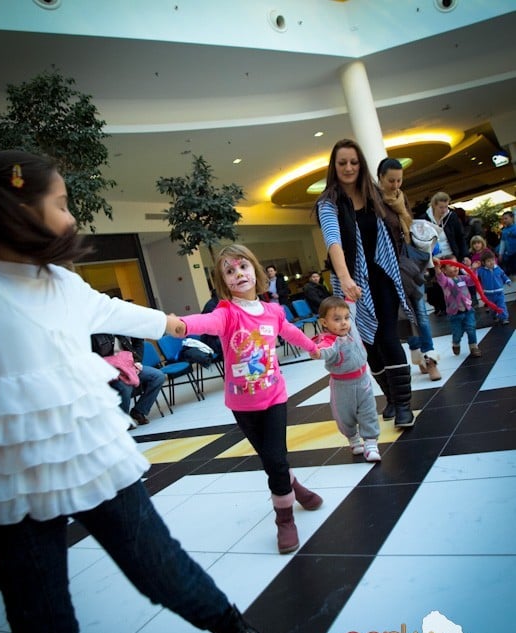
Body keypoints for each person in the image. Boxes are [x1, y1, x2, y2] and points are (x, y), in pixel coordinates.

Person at [0, 150, 270, 633]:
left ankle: (231, 625)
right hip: (17, 479)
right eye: (60, 204)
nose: (70, 217)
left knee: (159, 568)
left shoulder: (60, 282)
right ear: (17, 210)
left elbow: (111, 310)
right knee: (40, 625)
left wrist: (173, 324)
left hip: (93, 456)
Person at [175, 244, 323, 554]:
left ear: (255, 272)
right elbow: (204, 323)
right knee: (273, 459)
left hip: (274, 397)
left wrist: (311, 346)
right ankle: (295, 488)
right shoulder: (226, 314)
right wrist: (179, 324)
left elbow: (289, 333)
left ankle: (284, 520)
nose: (238, 274)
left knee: (274, 458)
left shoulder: (273, 311)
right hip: (242, 405)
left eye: (242, 267)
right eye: (230, 271)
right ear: (224, 281)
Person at [315, 138, 415, 429]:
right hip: (351, 282)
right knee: (368, 345)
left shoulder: (374, 195)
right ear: (334, 166)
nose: (349, 167)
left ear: (361, 165)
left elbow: (399, 225)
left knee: (387, 336)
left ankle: (405, 404)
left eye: (354, 162)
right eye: (342, 162)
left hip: (383, 275)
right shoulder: (328, 202)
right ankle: (392, 398)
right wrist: (346, 280)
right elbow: (333, 240)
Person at [377, 157, 441, 382]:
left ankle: (430, 359)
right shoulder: (375, 203)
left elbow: (410, 231)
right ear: (380, 179)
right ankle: (418, 356)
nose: (395, 185)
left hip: (410, 264)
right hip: (389, 269)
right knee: (405, 315)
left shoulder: (400, 198)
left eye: (399, 180)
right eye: (391, 181)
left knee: (421, 314)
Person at [314, 297, 381, 462]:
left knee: (369, 411)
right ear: (324, 322)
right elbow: (324, 351)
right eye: (336, 319)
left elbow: (352, 308)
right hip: (342, 386)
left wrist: (350, 295)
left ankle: (371, 444)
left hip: (363, 381)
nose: (344, 323)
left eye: (346, 318)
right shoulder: (329, 341)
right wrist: (316, 352)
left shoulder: (352, 330)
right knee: (344, 416)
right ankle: (352, 438)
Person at [91, 333, 166, 425]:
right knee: (126, 386)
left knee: (158, 376)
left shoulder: (119, 326)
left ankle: (139, 411)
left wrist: (136, 361)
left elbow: (138, 340)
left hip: (128, 365)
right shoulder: (93, 333)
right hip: (109, 370)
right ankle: (123, 419)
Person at [421, 191, 466, 316]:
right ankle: (441, 307)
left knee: (455, 279)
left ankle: (461, 304)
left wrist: (464, 255)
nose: (444, 210)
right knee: (438, 282)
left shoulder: (451, 217)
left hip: (450, 253)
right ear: (434, 205)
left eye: (446, 206)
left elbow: (460, 236)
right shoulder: (424, 219)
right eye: (441, 207)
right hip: (435, 256)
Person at [434, 256, 482, 357]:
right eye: (451, 265)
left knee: (471, 328)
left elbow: (472, 280)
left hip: (468, 310)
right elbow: (440, 278)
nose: (455, 267)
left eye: (456, 264)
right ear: (444, 270)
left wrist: (473, 269)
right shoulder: (446, 282)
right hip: (454, 314)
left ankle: (474, 347)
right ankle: (456, 343)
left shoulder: (463, 278)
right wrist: (437, 268)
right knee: (457, 333)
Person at [475, 249, 511, 325]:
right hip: (488, 294)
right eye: (488, 261)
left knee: (501, 305)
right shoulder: (481, 271)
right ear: (483, 263)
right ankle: (494, 316)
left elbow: (503, 275)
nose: (491, 262)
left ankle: (504, 318)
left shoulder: (498, 269)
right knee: (492, 308)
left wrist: (507, 281)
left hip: (499, 292)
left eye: (492, 260)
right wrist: (474, 268)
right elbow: (474, 275)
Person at [499, 210, 516, 276]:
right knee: (511, 269)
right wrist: (500, 254)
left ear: (512, 218)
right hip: (509, 253)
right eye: (503, 219)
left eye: (506, 218)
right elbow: (502, 242)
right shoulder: (504, 230)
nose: (504, 220)